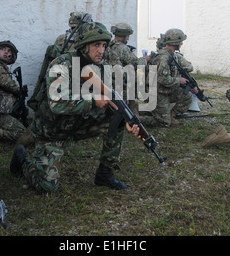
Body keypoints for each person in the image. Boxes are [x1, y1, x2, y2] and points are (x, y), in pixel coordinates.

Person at [10, 22, 141, 192]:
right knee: (47, 187)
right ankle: (22, 159)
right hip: (52, 132)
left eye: (103, 45)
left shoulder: (103, 67)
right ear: (83, 46)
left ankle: (105, 173)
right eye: (96, 45)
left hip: (78, 125)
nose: (101, 50)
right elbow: (58, 104)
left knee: (117, 120)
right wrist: (93, 99)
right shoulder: (61, 64)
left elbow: (111, 101)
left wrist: (126, 120)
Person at [139, 28, 198, 127]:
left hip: (166, 90)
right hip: (156, 93)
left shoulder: (172, 55)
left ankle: (169, 116)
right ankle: (135, 119)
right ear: (176, 42)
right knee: (164, 124)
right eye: (180, 42)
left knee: (187, 96)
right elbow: (162, 79)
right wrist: (179, 80)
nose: (181, 44)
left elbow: (188, 67)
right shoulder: (163, 58)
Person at [105, 23, 139, 115]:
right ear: (124, 36)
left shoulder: (108, 46)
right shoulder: (123, 48)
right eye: (127, 36)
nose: (128, 39)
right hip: (121, 83)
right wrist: (145, 59)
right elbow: (136, 63)